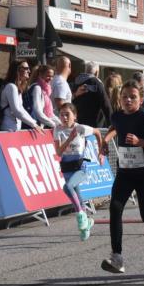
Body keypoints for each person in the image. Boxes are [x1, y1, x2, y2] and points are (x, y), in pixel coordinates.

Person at [99, 80, 144, 273]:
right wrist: (105, 140)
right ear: (119, 99)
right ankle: (117, 257)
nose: (128, 100)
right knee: (115, 208)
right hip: (125, 173)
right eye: (124, 97)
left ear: (140, 100)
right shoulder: (117, 116)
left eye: (133, 97)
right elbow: (115, 128)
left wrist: (140, 142)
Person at [54, 102, 102, 241]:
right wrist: (69, 138)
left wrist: (101, 152)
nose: (64, 117)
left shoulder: (80, 128)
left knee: (67, 187)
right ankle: (87, 224)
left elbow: (98, 132)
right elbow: (58, 152)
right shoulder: (57, 129)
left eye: (67, 114)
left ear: (74, 116)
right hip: (66, 167)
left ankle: (80, 215)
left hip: (80, 167)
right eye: (61, 114)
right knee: (77, 193)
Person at [0, 60, 43, 133]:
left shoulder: (16, 88)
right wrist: (33, 124)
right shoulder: (11, 87)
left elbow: (21, 109)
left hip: (14, 129)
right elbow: (16, 110)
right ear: (17, 70)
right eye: (26, 68)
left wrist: (34, 123)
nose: (29, 71)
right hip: (8, 129)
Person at [72, 60, 112, 127]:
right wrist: (111, 123)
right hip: (93, 123)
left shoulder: (76, 82)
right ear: (97, 72)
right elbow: (105, 104)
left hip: (78, 121)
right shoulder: (96, 83)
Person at [24, 64, 59, 128]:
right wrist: (54, 125)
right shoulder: (37, 88)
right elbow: (38, 112)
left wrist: (60, 124)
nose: (50, 79)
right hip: (33, 126)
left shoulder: (44, 90)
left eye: (52, 76)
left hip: (38, 125)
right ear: (40, 75)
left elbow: (50, 114)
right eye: (48, 76)